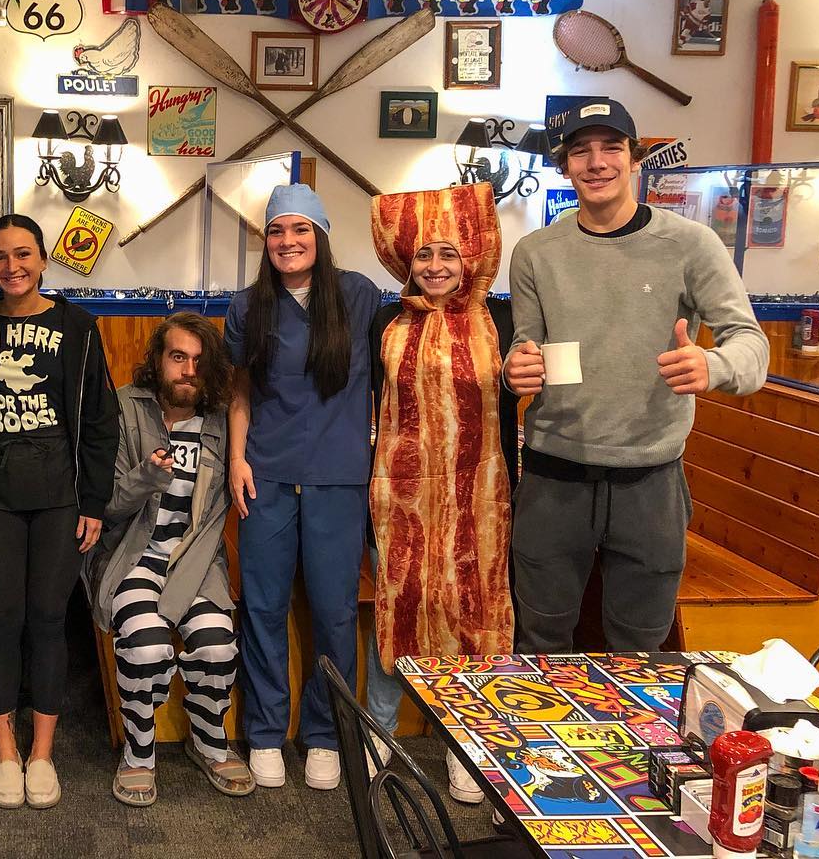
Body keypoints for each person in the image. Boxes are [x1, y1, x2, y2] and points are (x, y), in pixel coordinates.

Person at [503, 98, 769, 654]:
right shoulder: (535, 253)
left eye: (611, 148)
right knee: (540, 639)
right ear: (564, 165)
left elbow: (751, 346)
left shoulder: (691, 244)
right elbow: (527, 347)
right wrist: (514, 369)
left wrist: (712, 364)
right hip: (553, 478)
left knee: (641, 650)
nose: (597, 162)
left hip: (651, 481)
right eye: (581, 151)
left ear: (635, 158)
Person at [224, 183, 381, 791]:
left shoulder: (359, 297)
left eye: (300, 230)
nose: (287, 241)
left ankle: (325, 733)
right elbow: (240, 390)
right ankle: (265, 731)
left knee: (335, 612)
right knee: (262, 606)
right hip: (265, 474)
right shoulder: (249, 307)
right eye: (276, 231)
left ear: (321, 236)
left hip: (338, 477)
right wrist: (238, 459)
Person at [366, 182, 519, 803]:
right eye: (423, 254)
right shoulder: (387, 321)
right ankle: (379, 732)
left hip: (479, 496)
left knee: (473, 614)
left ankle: (468, 746)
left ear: (471, 259)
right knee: (398, 605)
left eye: (448, 254)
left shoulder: (501, 321)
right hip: (400, 494)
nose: (434, 266)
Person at [0, 214, 119, 809]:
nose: (12, 266)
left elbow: (101, 420)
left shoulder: (77, 326)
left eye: (23, 254)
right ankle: (6, 751)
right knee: (1, 619)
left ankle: (42, 753)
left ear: (43, 259)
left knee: (48, 619)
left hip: (61, 496)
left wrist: (94, 502)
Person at [87, 312, 255, 807]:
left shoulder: (221, 420)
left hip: (196, 558)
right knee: (145, 646)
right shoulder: (125, 407)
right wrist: (147, 477)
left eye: (199, 361)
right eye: (178, 357)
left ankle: (209, 740)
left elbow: (216, 514)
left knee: (218, 644)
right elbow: (106, 506)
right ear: (159, 359)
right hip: (131, 554)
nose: (188, 371)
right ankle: (138, 751)